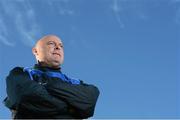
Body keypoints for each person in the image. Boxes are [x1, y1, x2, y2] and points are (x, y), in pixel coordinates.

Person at [3, 35, 100, 119]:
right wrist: (72, 110)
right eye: (51, 43)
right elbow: (23, 97)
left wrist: (44, 86)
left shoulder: (76, 82)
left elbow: (89, 102)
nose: (58, 47)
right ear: (35, 51)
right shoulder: (21, 73)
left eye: (61, 46)